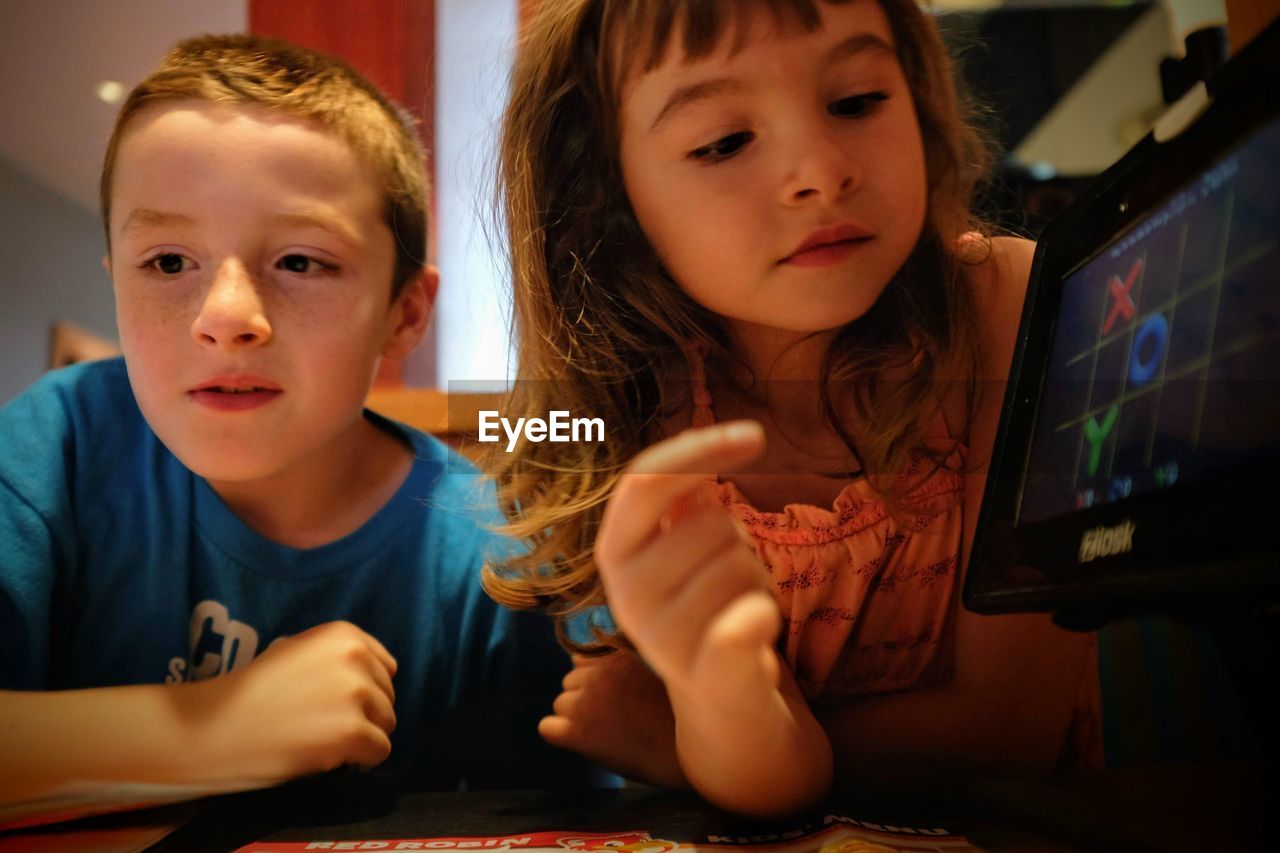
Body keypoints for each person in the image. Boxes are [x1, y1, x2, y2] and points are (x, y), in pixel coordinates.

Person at [483, 0, 1098, 818]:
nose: (821, 169)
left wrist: (686, 744)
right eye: (724, 142)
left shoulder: (1014, 308)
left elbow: (1010, 729)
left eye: (856, 101)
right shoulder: (613, 400)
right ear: (607, 199)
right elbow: (513, 439)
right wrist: (727, 725)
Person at [0, 34, 588, 808]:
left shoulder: (490, 564)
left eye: (301, 262)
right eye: (169, 263)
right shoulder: (58, 448)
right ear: (116, 281)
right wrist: (219, 728)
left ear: (404, 313)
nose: (226, 317)